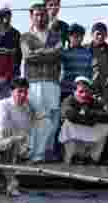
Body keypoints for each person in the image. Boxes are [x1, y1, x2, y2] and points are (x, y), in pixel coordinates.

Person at [19, 2, 62, 162]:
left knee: (52, 118)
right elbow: (28, 57)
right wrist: (47, 52)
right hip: (33, 83)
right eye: (37, 14)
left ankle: (46, 152)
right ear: (31, 16)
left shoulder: (56, 36)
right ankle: (33, 153)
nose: (40, 17)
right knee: (36, 117)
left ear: (47, 15)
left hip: (52, 82)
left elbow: (57, 54)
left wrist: (39, 52)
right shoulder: (25, 37)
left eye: (43, 14)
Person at [0, 77, 33, 194]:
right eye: (19, 91)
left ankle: (11, 181)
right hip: (0, 141)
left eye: (25, 92)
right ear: (12, 91)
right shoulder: (3, 104)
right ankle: (11, 182)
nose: (22, 95)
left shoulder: (27, 109)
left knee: (24, 144)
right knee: (7, 136)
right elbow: (2, 128)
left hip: (16, 144)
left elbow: (26, 132)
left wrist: (23, 147)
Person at [59, 75, 108, 163]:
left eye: (87, 91)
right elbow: (70, 115)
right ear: (74, 92)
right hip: (74, 135)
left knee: (105, 126)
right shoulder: (69, 100)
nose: (84, 94)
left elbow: (106, 116)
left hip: (88, 130)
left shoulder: (94, 101)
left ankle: (93, 158)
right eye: (81, 92)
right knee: (67, 124)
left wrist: (88, 113)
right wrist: (90, 120)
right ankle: (71, 157)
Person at [60, 24, 91, 99]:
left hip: (82, 92)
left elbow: (90, 73)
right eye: (75, 36)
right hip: (66, 91)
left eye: (81, 36)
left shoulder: (88, 53)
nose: (78, 39)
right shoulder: (63, 52)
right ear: (69, 37)